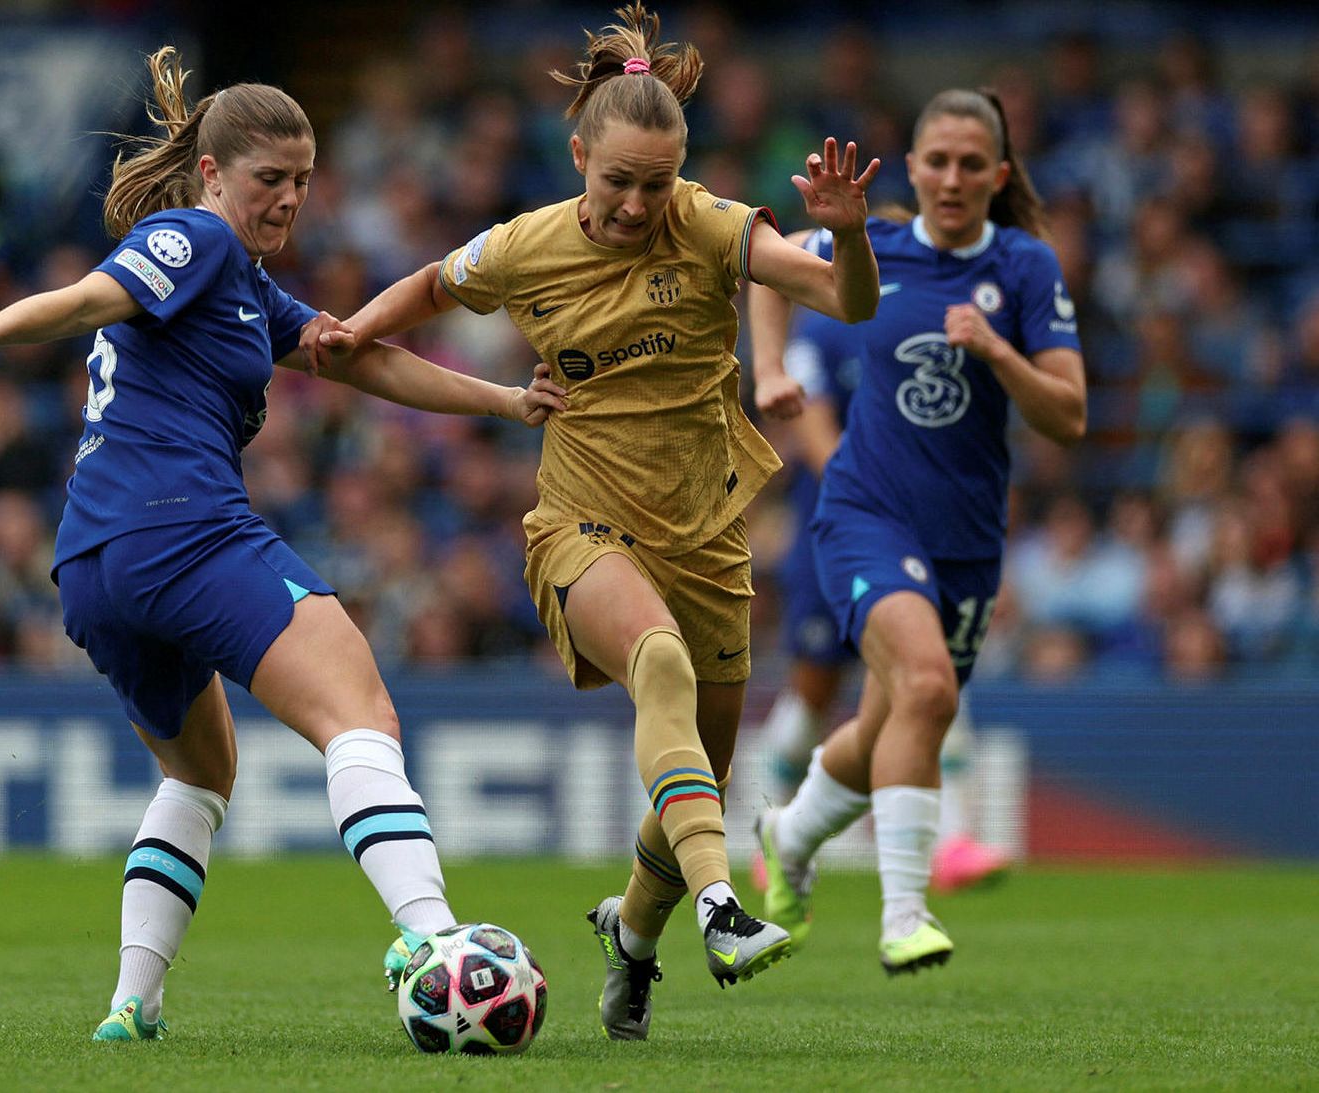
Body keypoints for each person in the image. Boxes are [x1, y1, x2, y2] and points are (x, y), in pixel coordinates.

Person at [0, 47, 567, 1042]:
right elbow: (93, 295)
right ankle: (435, 941)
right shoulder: (195, 240)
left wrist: (505, 401)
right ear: (212, 172)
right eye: (270, 179)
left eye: (303, 182)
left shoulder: (248, 290)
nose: (289, 200)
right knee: (361, 716)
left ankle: (133, 1002)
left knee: (199, 776)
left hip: (93, 564)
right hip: (177, 528)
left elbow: (357, 357)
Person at [331, 3, 880, 1040]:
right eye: (614, 180)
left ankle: (631, 939)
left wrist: (847, 238)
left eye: (654, 183)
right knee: (660, 669)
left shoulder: (714, 226)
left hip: (705, 538)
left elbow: (847, 303)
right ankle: (723, 911)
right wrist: (351, 330)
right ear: (577, 153)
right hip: (581, 525)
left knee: (695, 785)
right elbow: (429, 286)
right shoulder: (522, 248)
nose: (634, 204)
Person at [751, 87, 1085, 976]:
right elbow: (767, 263)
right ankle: (904, 913)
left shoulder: (1024, 268)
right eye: (937, 160)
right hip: (865, 511)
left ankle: (787, 837)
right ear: (913, 168)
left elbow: (1069, 416)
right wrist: (773, 370)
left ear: (999, 175)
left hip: (966, 539)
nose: (952, 177)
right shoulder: (877, 243)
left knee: (891, 719)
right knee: (930, 689)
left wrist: (1000, 352)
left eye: (972, 163)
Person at [746, 262, 1011, 896]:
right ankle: (770, 827)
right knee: (816, 687)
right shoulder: (827, 333)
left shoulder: (937, 338)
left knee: (932, 676)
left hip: (923, 532)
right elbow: (813, 427)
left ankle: (952, 842)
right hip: (838, 531)